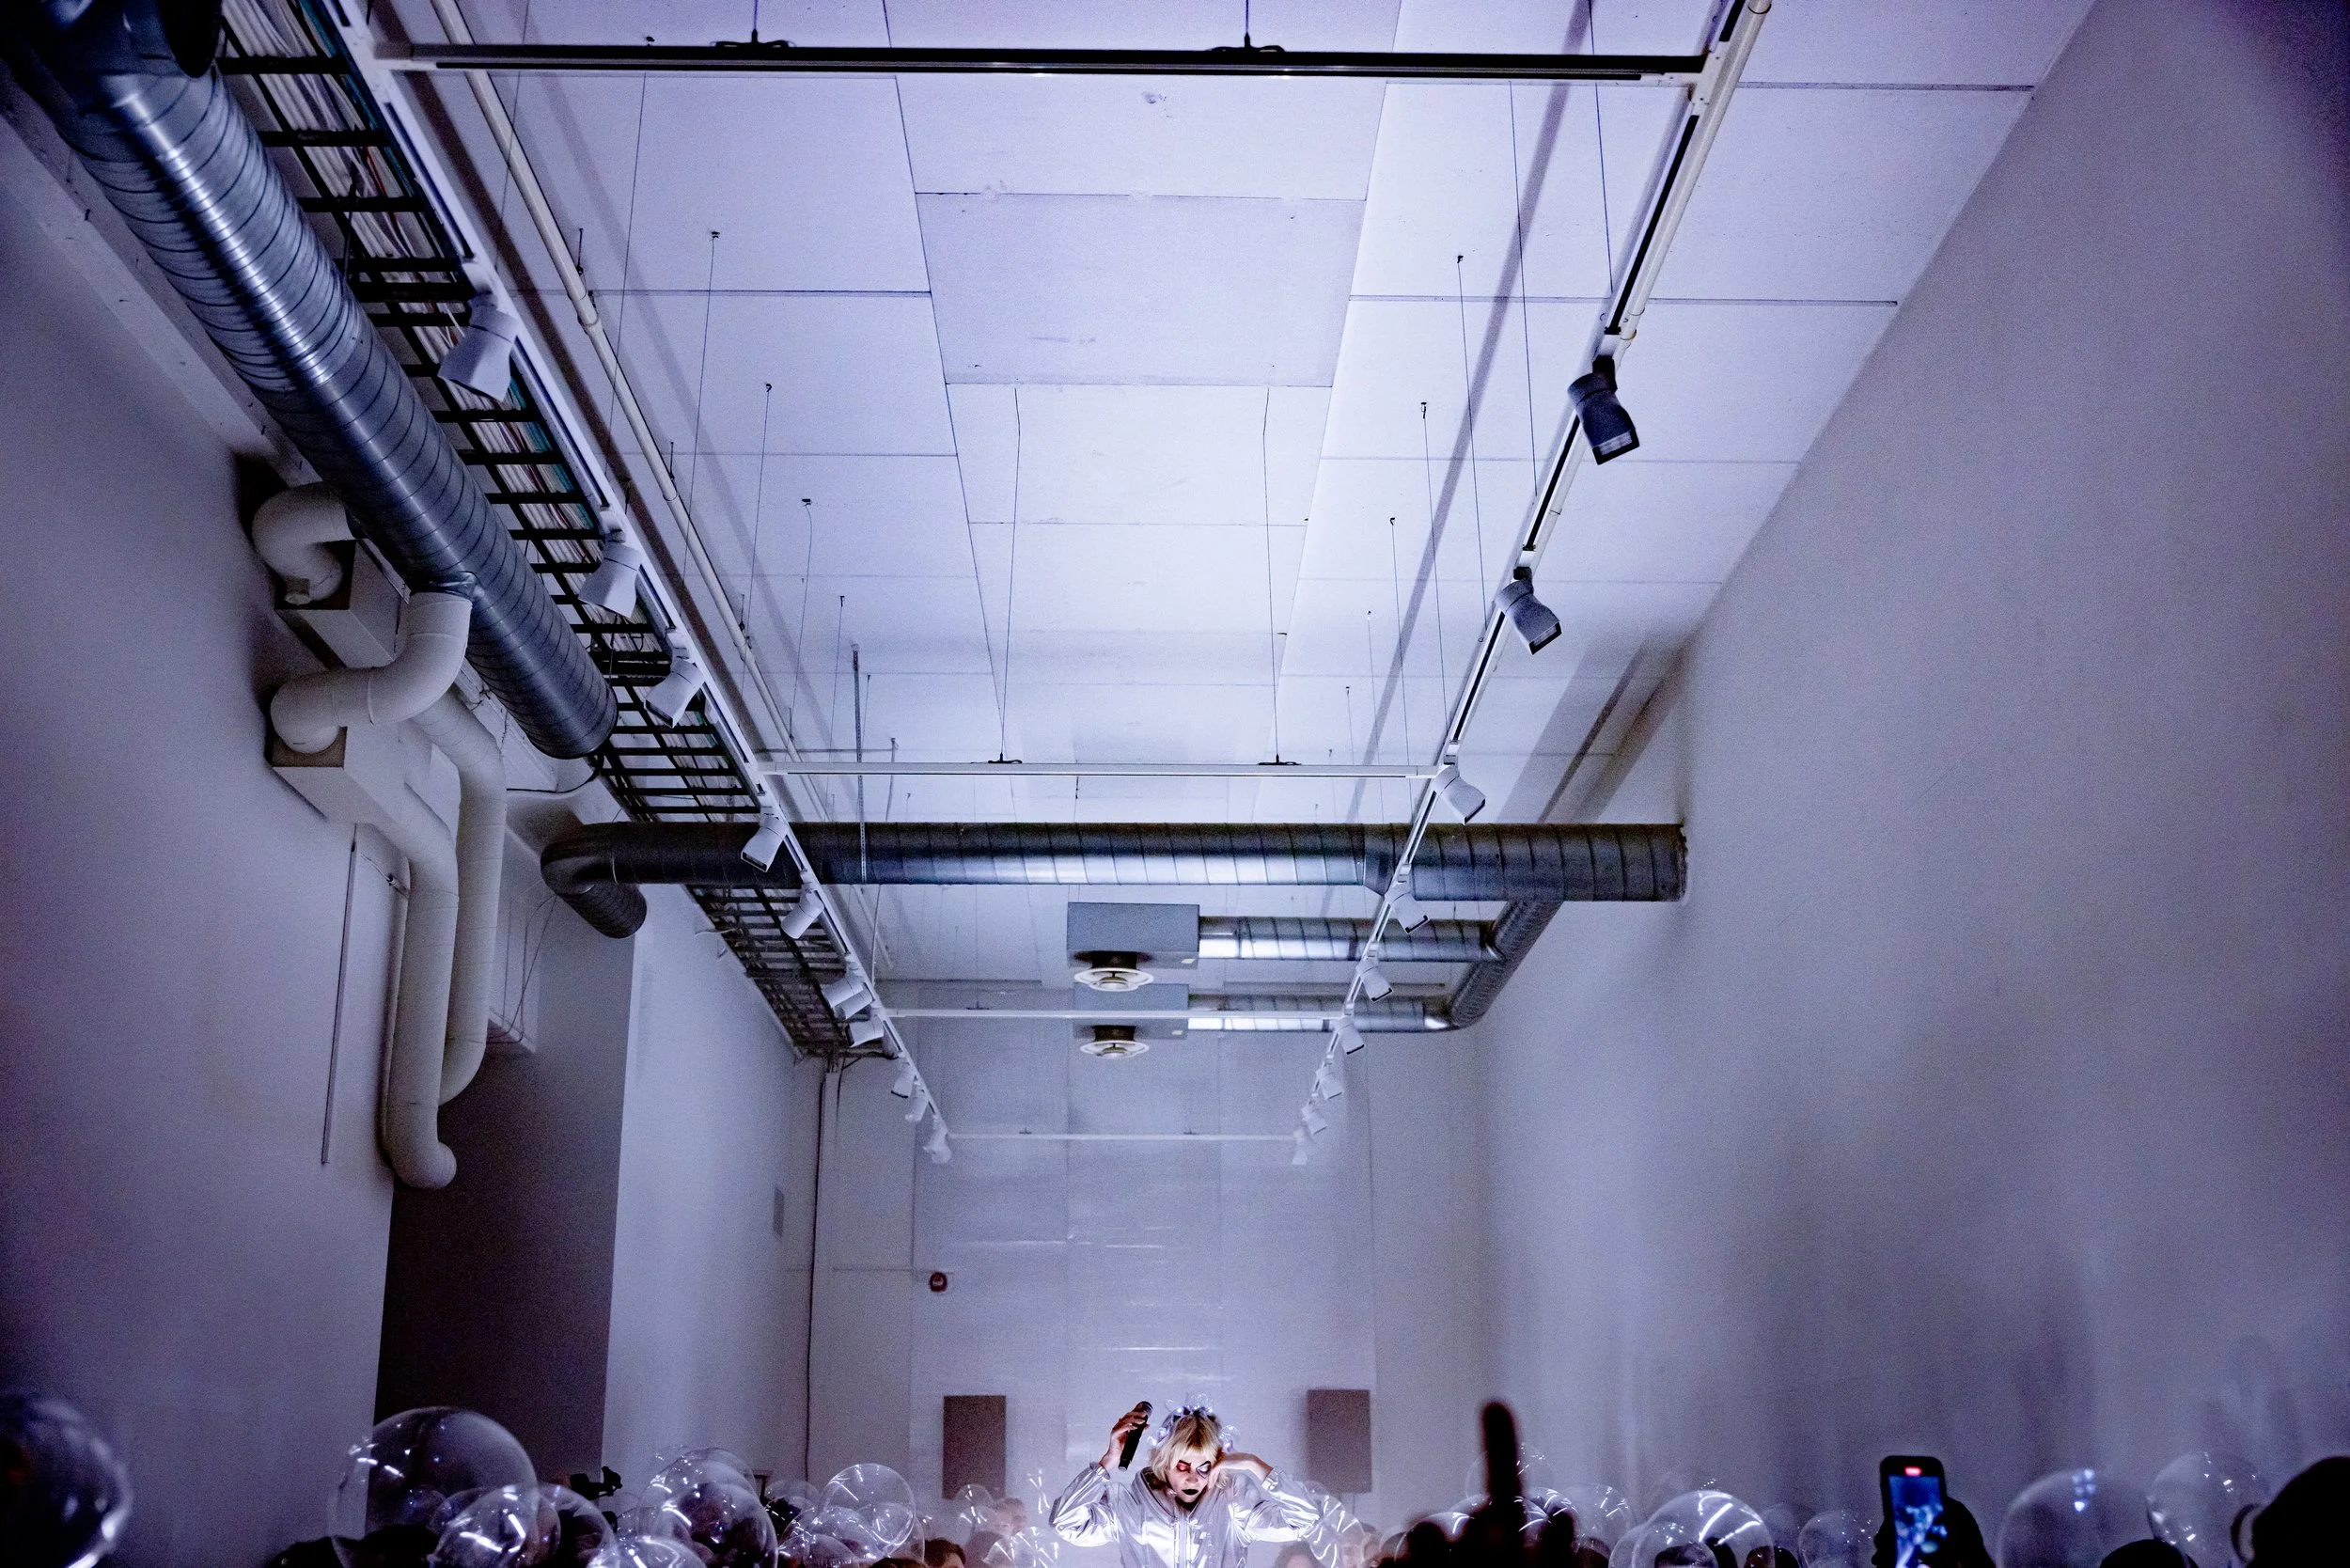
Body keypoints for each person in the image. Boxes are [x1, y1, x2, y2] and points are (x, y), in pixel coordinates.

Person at [1050, 1403, 1319, 1568]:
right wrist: (1107, 1462)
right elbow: (1065, 1523)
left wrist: (1253, 1463)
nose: (1193, 1478)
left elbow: (1305, 1520)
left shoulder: (1234, 1504)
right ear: (1164, 1462)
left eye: (1204, 1466)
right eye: (1182, 1466)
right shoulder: (1129, 1507)